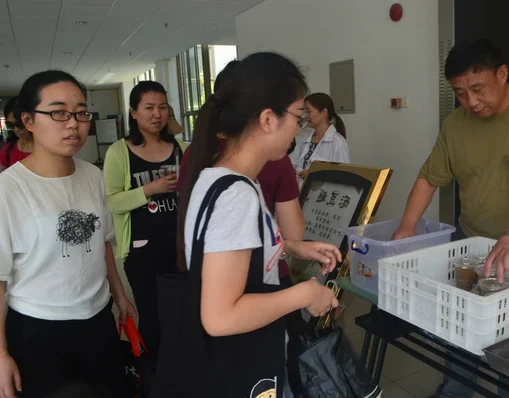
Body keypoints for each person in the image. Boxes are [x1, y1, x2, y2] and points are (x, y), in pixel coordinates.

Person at [153, 52, 340, 397]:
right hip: (242, 366)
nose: (297, 130)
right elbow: (220, 316)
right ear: (268, 119)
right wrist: (305, 293)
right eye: (297, 117)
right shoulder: (236, 194)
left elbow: (228, 258)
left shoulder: (220, 177)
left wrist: (292, 247)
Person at [392, 38, 509, 397]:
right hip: (471, 245)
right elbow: (430, 178)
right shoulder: (456, 125)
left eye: (477, 89)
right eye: (460, 93)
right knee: (462, 330)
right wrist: (407, 227)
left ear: (502, 75)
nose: (470, 102)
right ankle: (455, 391)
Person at [0, 70, 136, 398]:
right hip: (38, 329)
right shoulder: (8, 188)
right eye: (59, 112)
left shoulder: (92, 175)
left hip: (97, 318)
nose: (73, 123)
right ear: (28, 120)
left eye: (80, 112)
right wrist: (1, 354)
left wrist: (119, 296)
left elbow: (101, 241)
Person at [103, 81, 187, 357]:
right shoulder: (119, 152)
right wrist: (149, 190)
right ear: (134, 112)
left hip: (181, 248)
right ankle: (156, 377)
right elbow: (112, 202)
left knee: (183, 315)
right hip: (142, 252)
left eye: (162, 107)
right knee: (152, 318)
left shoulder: (180, 148)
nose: (157, 114)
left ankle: (183, 373)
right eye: (149, 107)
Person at [289, 92, 350, 187]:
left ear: (324, 112)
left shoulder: (338, 143)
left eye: (309, 111)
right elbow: (292, 163)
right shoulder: (304, 140)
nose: (305, 116)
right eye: (305, 112)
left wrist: (313, 175)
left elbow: (342, 176)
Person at [0, 97, 33, 172]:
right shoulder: (7, 151)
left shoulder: (50, 148)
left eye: (20, 124)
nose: (16, 129)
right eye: (10, 124)